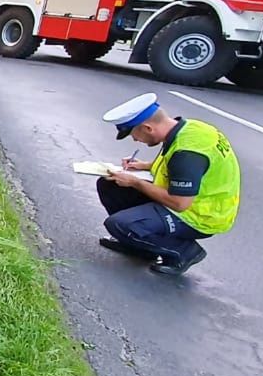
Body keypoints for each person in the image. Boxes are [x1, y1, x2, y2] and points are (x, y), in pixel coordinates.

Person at [97, 92, 241, 275]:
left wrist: (135, 182)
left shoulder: (187, 153)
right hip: (190, 200)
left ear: (147, 128)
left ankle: (183, 251)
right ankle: (140, 247)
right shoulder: (190, 129)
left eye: (134, 134)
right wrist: (145, 166)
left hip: (199, 215)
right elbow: (189, 169)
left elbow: (180, 203)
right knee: (109, 184)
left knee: (118, 225)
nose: (135, 140)